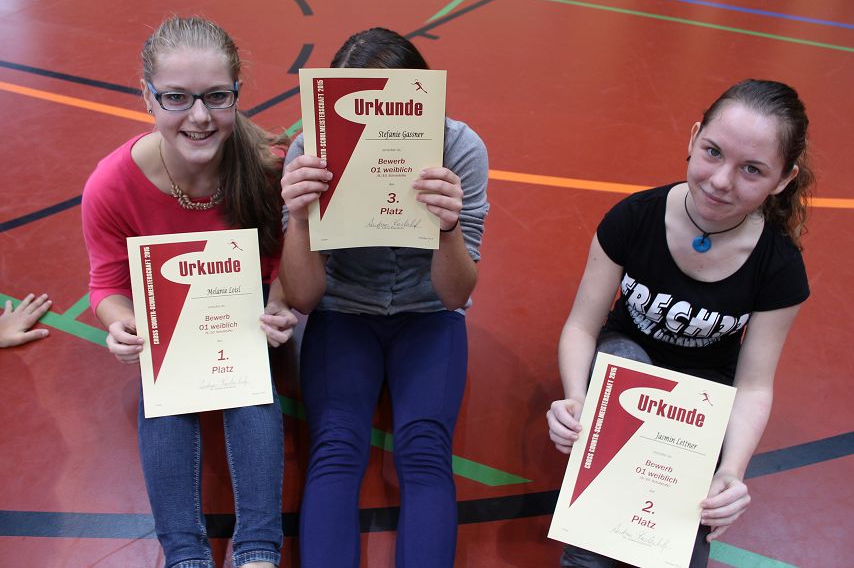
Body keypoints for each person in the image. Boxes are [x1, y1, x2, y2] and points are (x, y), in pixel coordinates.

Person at [546, 79, 813, 567]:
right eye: (713, 152)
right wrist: (576, 399)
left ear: (783, 179)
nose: (721, 181)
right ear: (693, 138)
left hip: (700, 403)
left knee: (680, 545)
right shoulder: (634, 219)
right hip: (623, 368)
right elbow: (581, 326)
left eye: (752, 169)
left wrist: (730, 471)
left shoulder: (779, 267)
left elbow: (755, 384)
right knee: (625, 362)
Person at [81, 16, 297, 568]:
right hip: (172, 321)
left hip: (245, 315)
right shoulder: (112, 184)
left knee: (254, 387)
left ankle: (258, 551)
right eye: (176, 97)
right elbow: (106, 284)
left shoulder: (267, 171)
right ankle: (184, 555)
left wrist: (279, 304)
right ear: (147, 96)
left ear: (236, 93)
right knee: (161, 391)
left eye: (216, 97)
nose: (199, 117)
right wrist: (120, 322)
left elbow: (281, 265)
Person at [279, 28, 489, 568]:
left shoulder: (459, 148)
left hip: (429, 314)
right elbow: (303, 297)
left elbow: (454, 295)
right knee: (335, 448)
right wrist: (299, 222)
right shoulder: (310, 152)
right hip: (342, 311)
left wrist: (446, 227)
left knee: (425, 452)